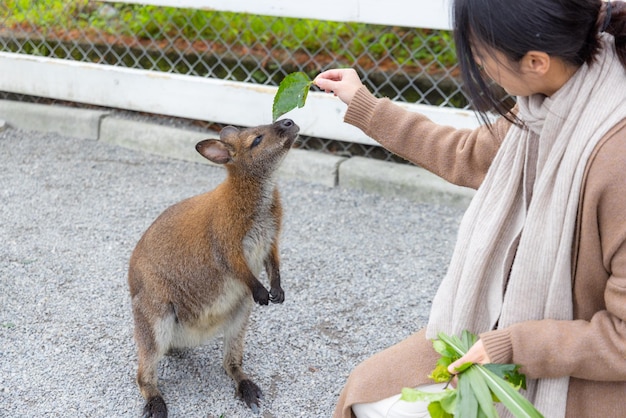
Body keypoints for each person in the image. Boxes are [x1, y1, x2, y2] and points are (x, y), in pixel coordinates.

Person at [313, 0, 626, 417]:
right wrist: (364, 105)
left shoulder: (615, 158)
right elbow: (466, 154)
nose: (475, 66)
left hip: (580, 367)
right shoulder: (552, 98)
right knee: (367, 394)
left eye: (480, 54)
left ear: (535, 61)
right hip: (506, 324)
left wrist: (516, 346)